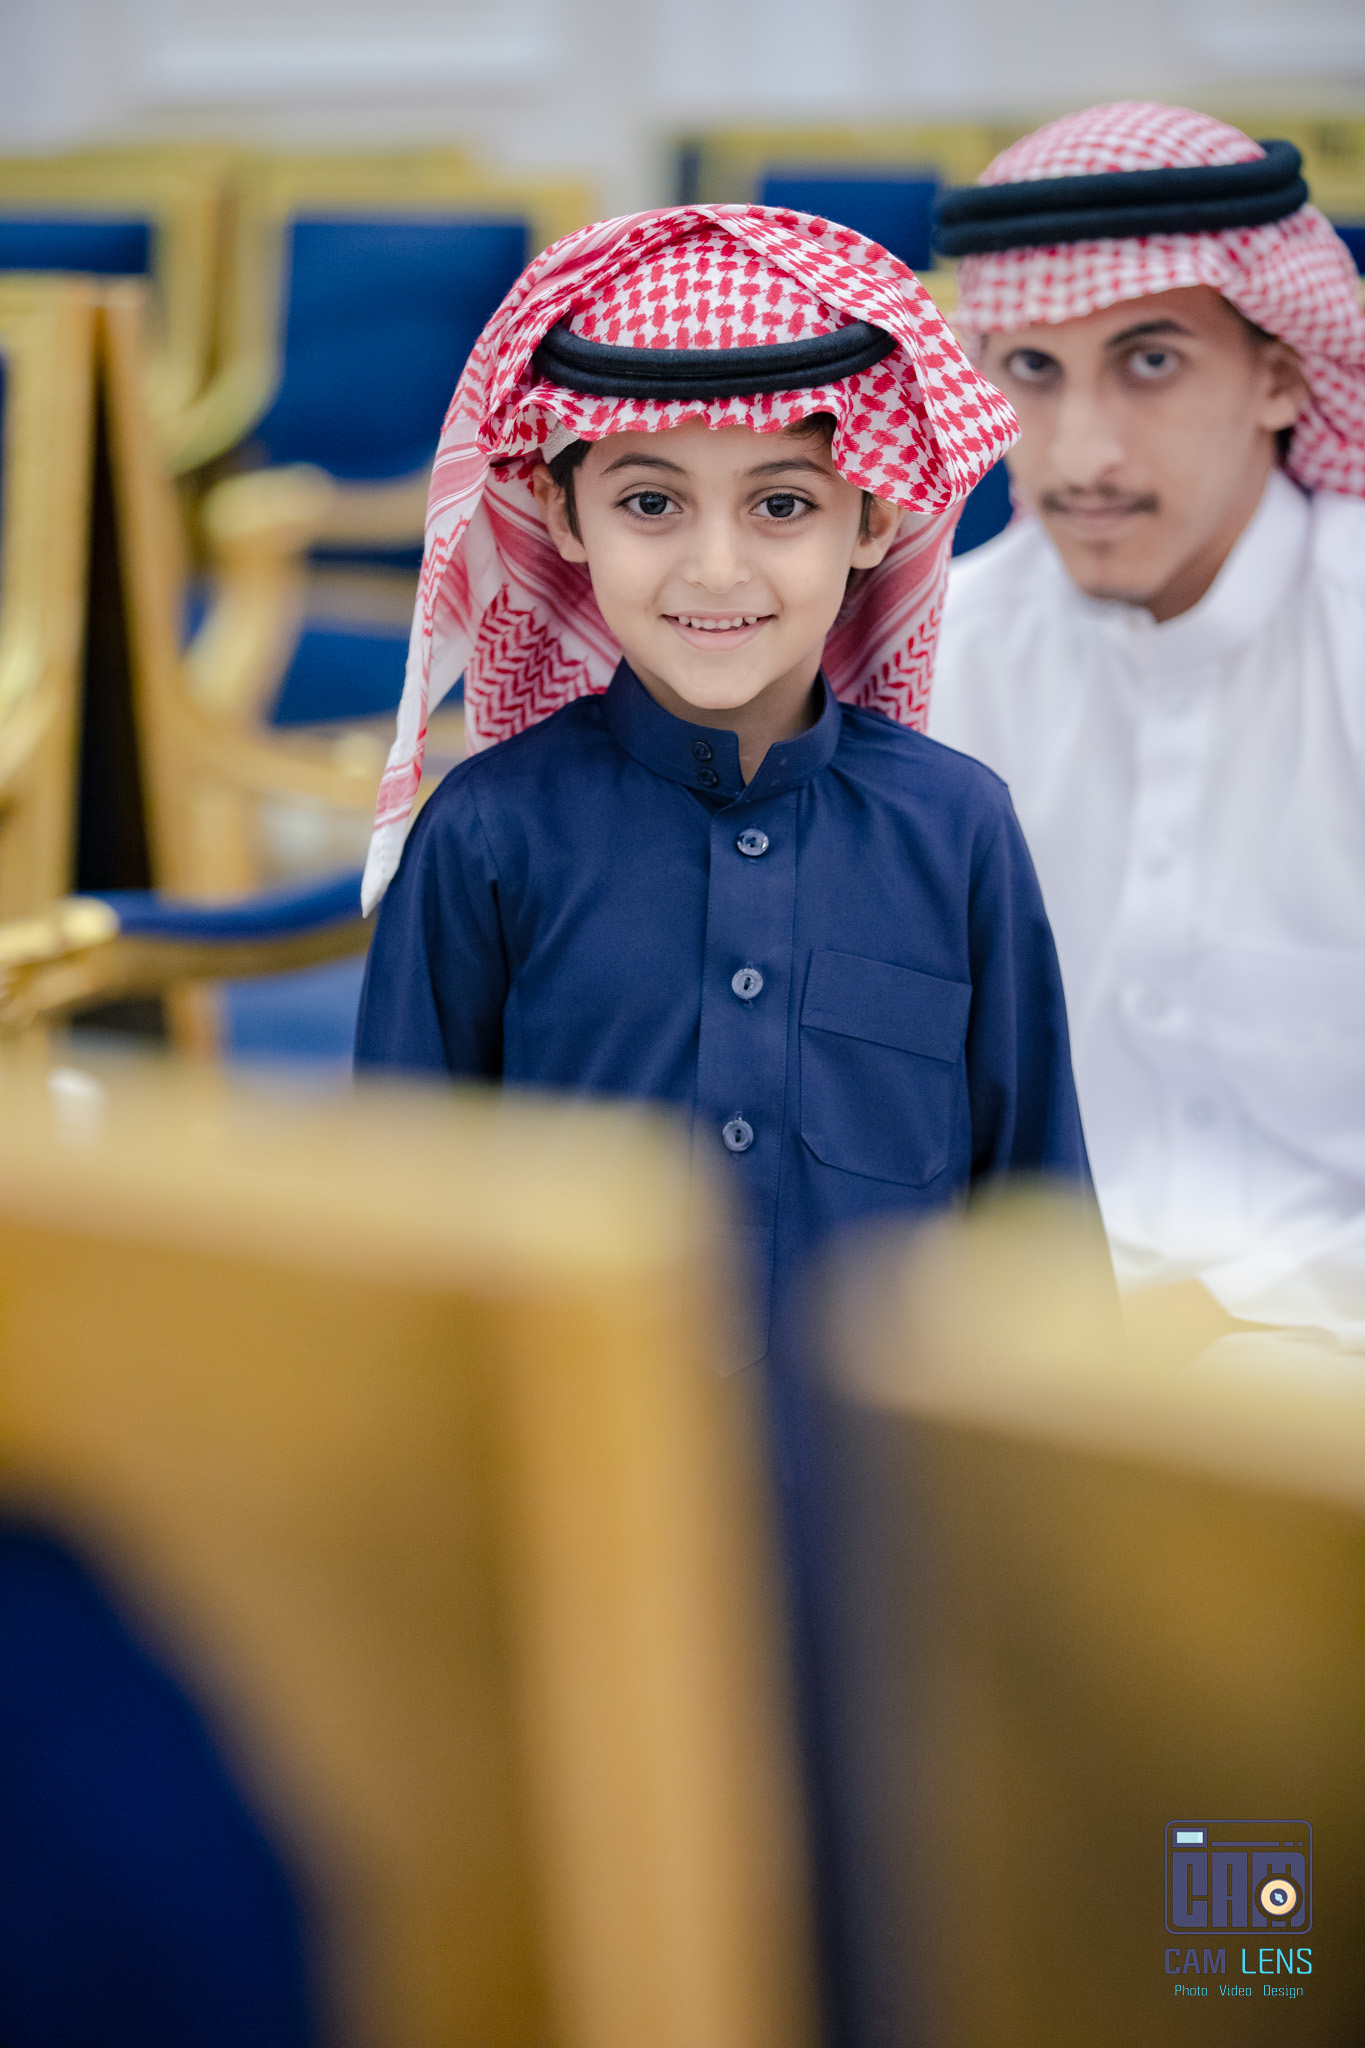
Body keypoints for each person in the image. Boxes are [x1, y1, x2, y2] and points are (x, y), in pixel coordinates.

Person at [354, 204, 1090, 1369]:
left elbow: (1039, 1228)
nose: (714, 567)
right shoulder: (488, 835)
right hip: (581, 1461)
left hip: (881, 1475)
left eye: (781, 503)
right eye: (650, 502)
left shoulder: (957, 829)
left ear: (874, 513)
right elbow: (399, 1232)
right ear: (563, 511)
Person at [929, 104, 1365, 1352]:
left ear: (1281, 374)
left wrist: (1236, 1325)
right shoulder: (944, 655)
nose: (1082, 455)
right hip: (1025, 1364)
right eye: (1032, 370)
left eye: (1152, 362)